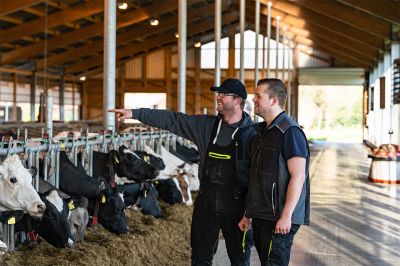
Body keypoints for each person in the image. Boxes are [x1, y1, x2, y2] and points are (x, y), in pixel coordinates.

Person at [109, 78, 256, 266]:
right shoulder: (207, 126)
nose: (217, 97)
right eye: (217, 93)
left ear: (237, 100)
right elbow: (173, 120)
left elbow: (258, 178)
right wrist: (135, 113)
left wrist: (251, 212)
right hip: (207, 201)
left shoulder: (253, 135)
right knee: (200, 257)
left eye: (222, 94)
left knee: (239, 259)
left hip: (237, 204)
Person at [238, 78, 310, 266]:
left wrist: (286, 215)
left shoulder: (290, 132)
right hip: (262, 214)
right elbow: (257, 177)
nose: (253, 100)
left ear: (273, 101)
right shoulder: (261, 133)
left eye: (258, 96)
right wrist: (248, 212)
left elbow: (298, 175)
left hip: (280, 216)